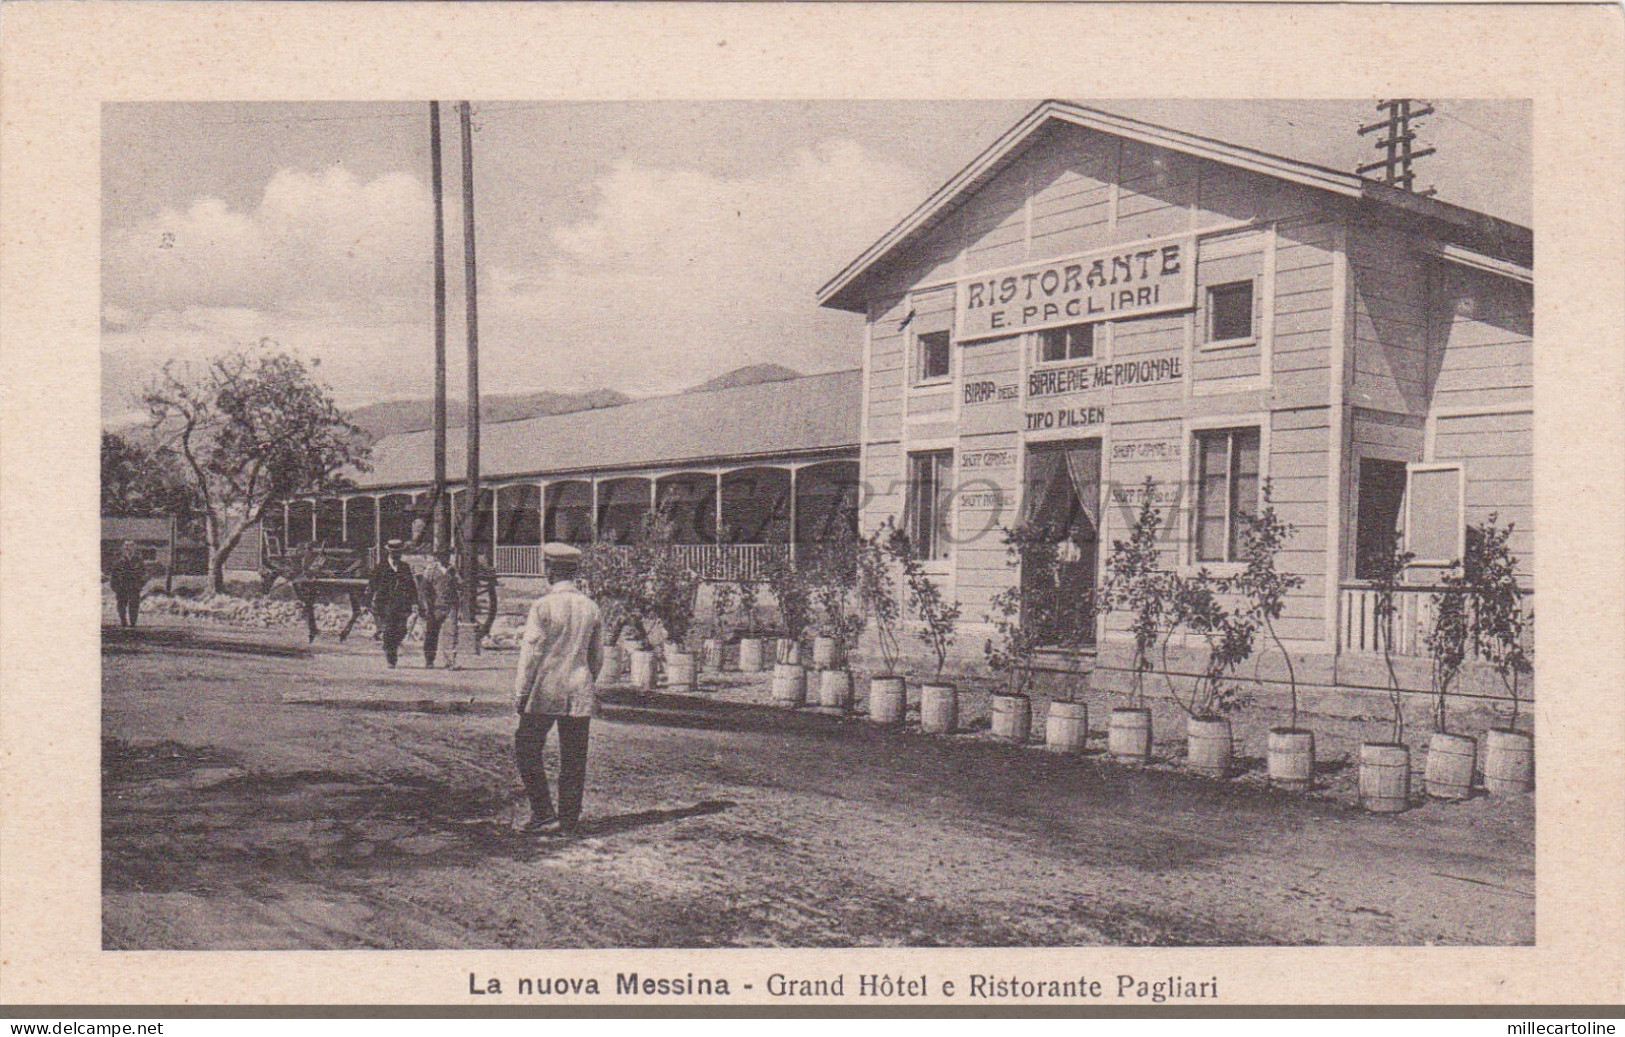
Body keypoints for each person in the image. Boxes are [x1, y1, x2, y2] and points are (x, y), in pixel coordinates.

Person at [513, 543, 604, 837]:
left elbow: (531, 655)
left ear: (550, 570)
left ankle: (543, 812)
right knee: (574, 756)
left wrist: (521, 692)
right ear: (574, 572)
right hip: (579, 688)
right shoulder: (591, 607)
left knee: (526, 747)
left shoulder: (543, 606)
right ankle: (568, 820)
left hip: (547, 689)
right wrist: (587, 681)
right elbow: (597, 656)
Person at [369, 539, 419, 668]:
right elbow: (372, 585)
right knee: (389, 630)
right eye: (394, 552)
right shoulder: (381, 567)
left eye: (399, 552)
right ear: (389, 552)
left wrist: (415, 602)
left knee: (402, 630)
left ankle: (390, 646)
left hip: (402, 605)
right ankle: (391, 657)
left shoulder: (404, 567)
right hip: (385, 604)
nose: (397, 555)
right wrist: (369, 602)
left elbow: (411, 586)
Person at [418, 549, 461, 669]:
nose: (445, 558)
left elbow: (459, 584)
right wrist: (425, 605)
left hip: (450, 605)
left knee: (451, 632)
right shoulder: (431, 570)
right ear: (438, 557)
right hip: (434, 606)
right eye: (442, 556)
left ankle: (450, 661)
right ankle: (429, 660)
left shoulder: (452, 570)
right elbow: (424, 589)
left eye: (447, 555)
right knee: (432, 633)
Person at [109, 541, 148, 629]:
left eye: (130, 545)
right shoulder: (118, 560)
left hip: (134, 587)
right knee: (121, 605)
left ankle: (133, 623)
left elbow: (144, 574)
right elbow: (114, 574)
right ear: (123, 547)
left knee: (134, 605)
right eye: (126, 545)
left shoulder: (138, 560)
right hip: (121, 587)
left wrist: (140, 584)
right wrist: (115, 586)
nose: (128, 547)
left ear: (134, 547)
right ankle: (123, 621)